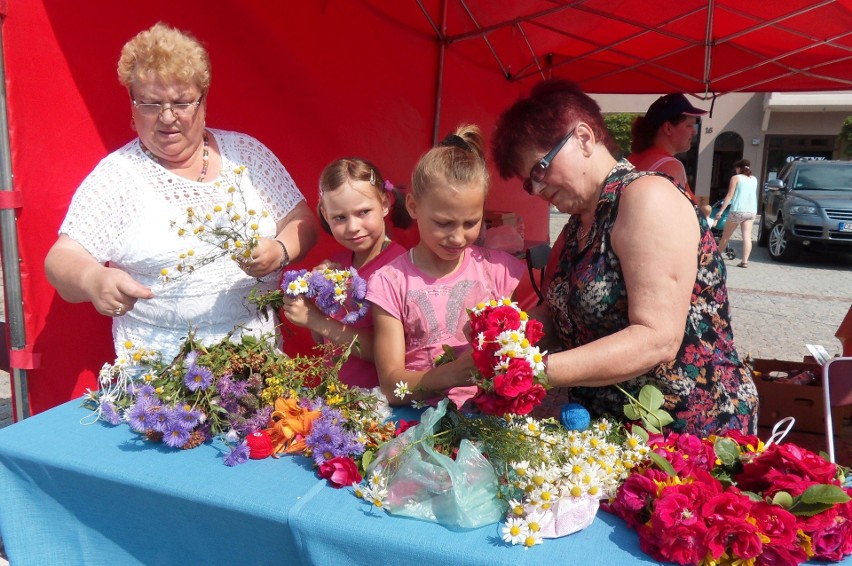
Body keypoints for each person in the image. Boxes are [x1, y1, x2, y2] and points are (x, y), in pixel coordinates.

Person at [491, 80, 758, 437]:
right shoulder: (579, 226)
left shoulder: (647, 196)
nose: (537, 190)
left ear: (584, 137)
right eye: (528, 184)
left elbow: (656, 338)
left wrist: (530, 369)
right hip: (619, 430)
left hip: (686, 433)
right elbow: (562, 316)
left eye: (539, 170)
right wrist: (499, 336)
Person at [44, 22, 319, 362]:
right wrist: (93, 277)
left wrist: (280, 250)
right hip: (159, 386)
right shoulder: (117, 176)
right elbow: (60, 258)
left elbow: (301, 219)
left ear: (203, 102)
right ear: (132, 107)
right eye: (150, 103)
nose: (167, 116)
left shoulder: (247, 155)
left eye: (181, 102)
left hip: (259, 366)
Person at [367, 125, 525, 404]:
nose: (457, 237)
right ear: (414, 207)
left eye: (470, 223)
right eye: (444, 223)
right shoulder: (390, 281)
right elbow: (392, 386)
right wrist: (454, 373)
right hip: (415, 426)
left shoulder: (502, 272)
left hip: (488, 423)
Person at [280, 158, 410, 387]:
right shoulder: (337, 264)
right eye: (340, 217)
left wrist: (316, 319)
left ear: (385, 203)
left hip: (379, 406)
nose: (352, 227)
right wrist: (313, 299)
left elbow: (387, 355)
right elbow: (325, 342)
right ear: (324, 213)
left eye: (363, 212)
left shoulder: (400, 268)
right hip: (338, 400)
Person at [627, 93, 707, 205]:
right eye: (689, 125)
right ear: (668, 128)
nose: (695, 132)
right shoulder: (670, 166)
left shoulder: (633, 159)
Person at [714, 159, 758, 268]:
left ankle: (716, 257)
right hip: (751, 211)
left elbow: (729, 195)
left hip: (738, 210)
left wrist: (721, 211)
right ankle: (744, 261)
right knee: (747, 236)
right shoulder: (754, 179)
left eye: (736, 169)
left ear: (739, 168)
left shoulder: (735, 178)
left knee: (726, 236)